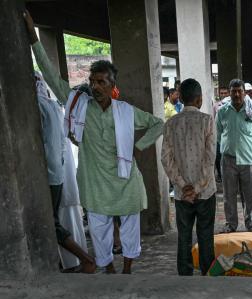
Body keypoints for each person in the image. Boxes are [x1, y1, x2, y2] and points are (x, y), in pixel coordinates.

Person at [26, 11, 164, 274]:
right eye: (92, 82)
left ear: (112, 85)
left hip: (125, 183)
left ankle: (127, 271)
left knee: (130, 228)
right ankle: (109, 271)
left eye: (101, 82)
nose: (95, 86)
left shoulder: (125, 111)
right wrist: (34, 38)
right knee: (99, 230)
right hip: (95, 182)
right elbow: (52, 77)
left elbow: (158, 125)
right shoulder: (80, 106)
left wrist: (138, 147)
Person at [34, 71, 96, 274]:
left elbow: (51, 147)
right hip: (59, 173)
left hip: (50, 175)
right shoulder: (52, 106)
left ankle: (86, 259)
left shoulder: (39, 107)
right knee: (56, 220)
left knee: (52, 222)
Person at [161, 79, 217, 276]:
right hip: (205, 192)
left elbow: (166, 159)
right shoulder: (207, 121)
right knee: (205, 236)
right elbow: (210, 159)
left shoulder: (171, 124)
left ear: (181, 98)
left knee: (184, 237)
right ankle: (207, 272)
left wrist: (184, 186)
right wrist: (198, 187)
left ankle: (184, 276)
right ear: (200, 99)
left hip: (181, 194)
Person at [216, 79, 252, 233]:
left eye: (239, 91)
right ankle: (231, 224)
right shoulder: (222, 111)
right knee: (229, 195)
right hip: (228, 159)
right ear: (229, 93)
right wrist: (230, 145)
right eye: (233, 91)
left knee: (251, 195)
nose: (236, 94)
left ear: (244, 92)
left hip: (248, 159)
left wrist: (245, 147)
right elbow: (219, 133)